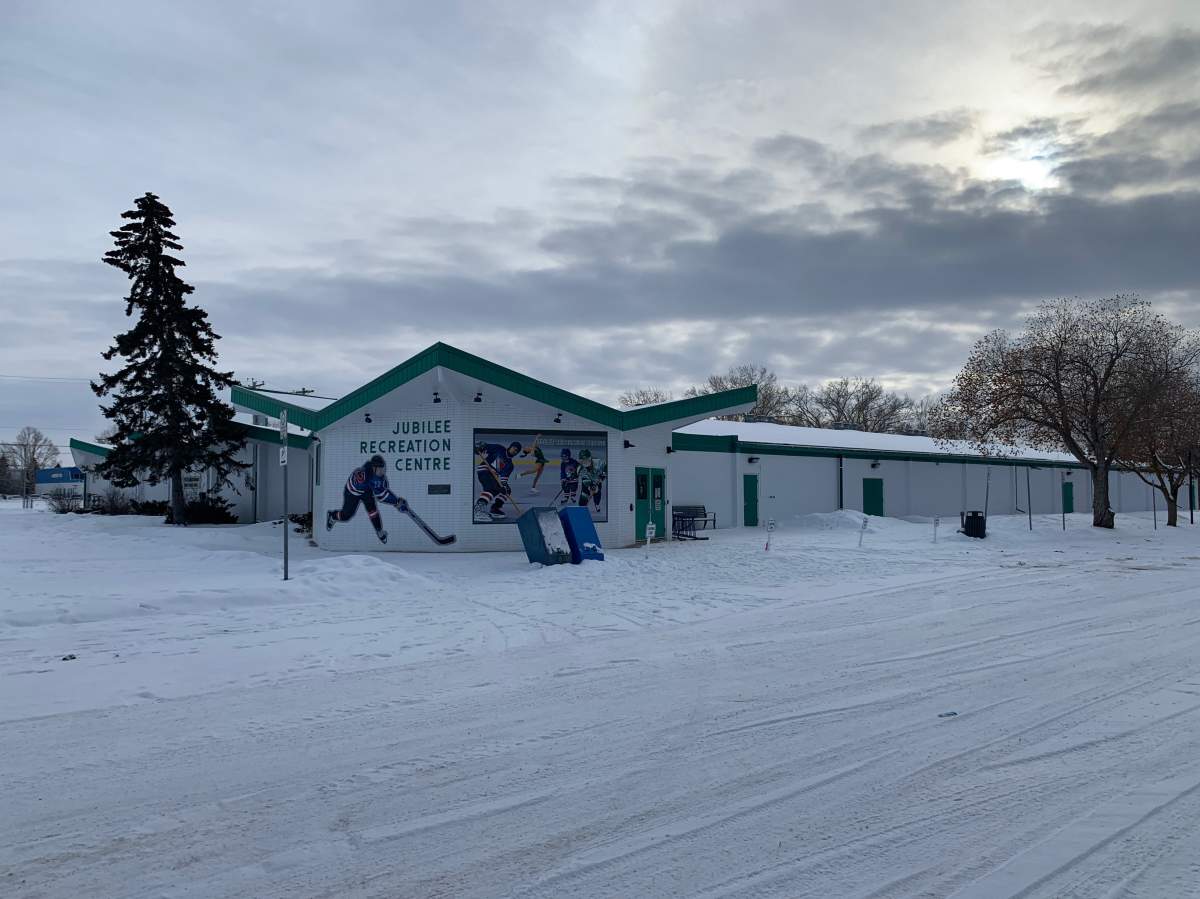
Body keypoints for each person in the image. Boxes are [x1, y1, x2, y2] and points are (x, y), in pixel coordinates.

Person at [326, 454, 406, 544]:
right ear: (374, 468)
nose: (382, 472)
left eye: (383, 469)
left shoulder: (376, 476)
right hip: (352, 493)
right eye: (380, 470)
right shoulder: (365, 476)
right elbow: (382, 496)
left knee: (373, 511)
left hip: (366, 490)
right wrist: (396, 501)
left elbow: (384, 491)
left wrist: (396, 501)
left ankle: (379, 531)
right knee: (346, 516)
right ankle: (332, 516)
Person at [474, 440, 523, 521]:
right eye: (514, 448)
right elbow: (484, 446)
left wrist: (503, 487)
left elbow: (503, 480)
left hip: (493, 476)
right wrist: (479, 448)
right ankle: (477, 510)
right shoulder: (499, 448)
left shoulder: (510, 465)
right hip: (484, 470)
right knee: (491, 488)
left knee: (506, 490)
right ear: (510, 447)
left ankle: (495, 509)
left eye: (517, 451)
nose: (515, 451)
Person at [577, 448, 606, 513]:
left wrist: (603, 475)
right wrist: (591, 486)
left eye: (586, 460)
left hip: (597, 479)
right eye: (582, 460)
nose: (584, 462)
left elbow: (605, 467)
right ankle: (582, 508)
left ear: (590, 458)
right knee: (584, 496)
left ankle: (597, 503)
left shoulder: (598, 462)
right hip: (588, 483)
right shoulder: (580, 469)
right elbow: (585, 481)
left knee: (597, 492)